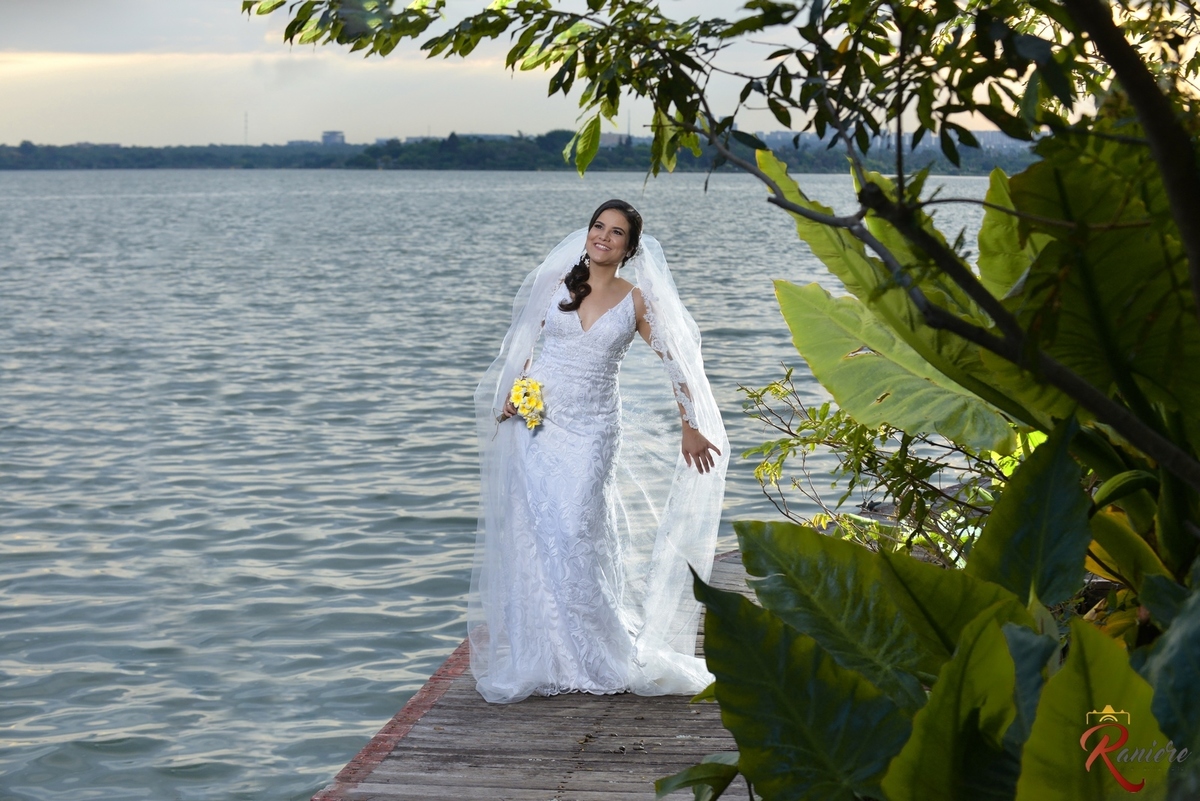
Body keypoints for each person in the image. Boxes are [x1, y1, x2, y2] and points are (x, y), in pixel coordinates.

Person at [470, 199, 729, 704]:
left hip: (591, 430)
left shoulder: (636, 301)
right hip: (539, 422)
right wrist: (514, 393)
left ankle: (596, 651)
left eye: (616, 233)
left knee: (574, 532)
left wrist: (690, 426)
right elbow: (524, 343)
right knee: (535, 534)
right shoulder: (555, 284)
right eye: (598, 227)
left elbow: (675, 362)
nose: (603, 238)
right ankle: (545, 654)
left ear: (630, 247)